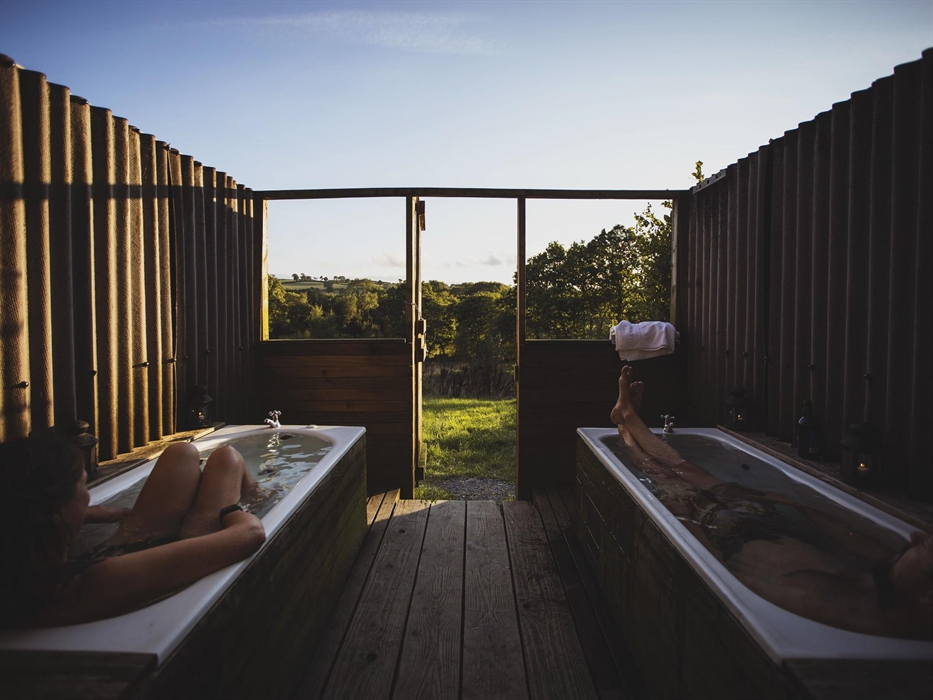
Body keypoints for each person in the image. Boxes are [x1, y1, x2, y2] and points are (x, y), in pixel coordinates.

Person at [610, 365, 933, 640]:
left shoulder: (831, 605)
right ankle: (628, 417)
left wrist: (686, 524)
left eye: (928, 548)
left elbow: (725, 576)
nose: (916, 537)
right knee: (688, 468)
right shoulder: (885, 581)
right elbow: (844, 529)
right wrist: (792, 505)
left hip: (727, 531)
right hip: (769, 520)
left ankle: (625, 428)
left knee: (664, 475)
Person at [0, 432, 266, 628]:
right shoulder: (94, 584)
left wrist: (94, 515)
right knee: (228, 459)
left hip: (124, 544)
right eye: (83, 486)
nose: (89, 498)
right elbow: (250, 534)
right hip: (186, 543)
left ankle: (254, 491)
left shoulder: (19, 575)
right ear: (59, 510)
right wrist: (232, 511)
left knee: (181, 452)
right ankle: (255, 495)